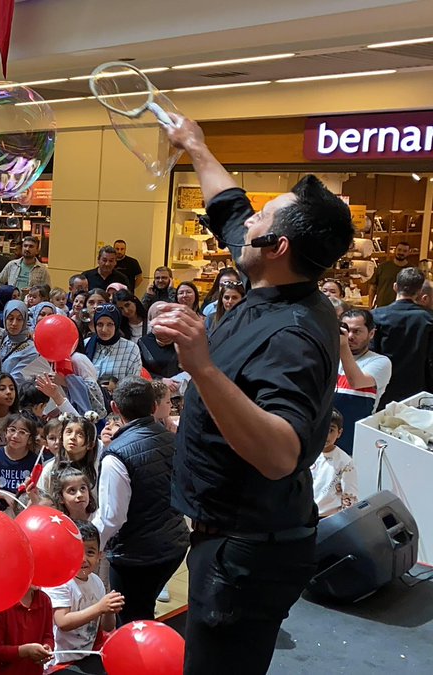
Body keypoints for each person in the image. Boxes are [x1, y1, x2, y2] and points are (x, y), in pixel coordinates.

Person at [155, 114, 354, 675]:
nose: (247, 224)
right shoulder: (276, 278)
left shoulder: (292, 333)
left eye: (261, 219)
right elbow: (230, 207)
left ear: (277, 246)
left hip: (246, 551)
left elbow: (279, 453)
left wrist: (203, 368)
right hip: (238, 539)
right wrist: (196, 146)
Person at [93, 378, 188, 625]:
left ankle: (143, 660)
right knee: (145, 609)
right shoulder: (173, 440)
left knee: (133, 621)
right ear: (153, 406)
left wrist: (93, 546)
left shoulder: (117, 454)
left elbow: (112, 517)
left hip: (136, 557)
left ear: (115, 407)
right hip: (175, 544)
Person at [45, 521, 122, 672]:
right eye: (77, 551)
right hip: (60, 660)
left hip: (88, 655)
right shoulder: (61, 582)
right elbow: (62, 622)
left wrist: (109, 611)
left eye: (90, 552)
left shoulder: (97, 582)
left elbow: (107, 627)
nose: (83, 559)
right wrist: (100, 608)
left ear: (100, 556)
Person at [369, 267, 433, 406]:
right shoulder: (429, 319)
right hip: (418, 387)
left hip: (382, 386)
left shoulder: (376, 316)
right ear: (419, 291)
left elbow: (371, 354)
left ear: (395, 287)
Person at [332, 309, 391, 454]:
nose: (350, 336)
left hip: (355, 439)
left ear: (371, 334)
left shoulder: (380, 362)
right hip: (324, 435)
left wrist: (343, 345)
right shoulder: (330, 356)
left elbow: (356, 381)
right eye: (346, 330)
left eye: (357, 331)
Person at [311, 410, 358, 518]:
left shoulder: (345, 462)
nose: (325, 435)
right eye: (321, 429)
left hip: (329, 518)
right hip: (305, 515)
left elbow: (350, 496)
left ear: (339, 433)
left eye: (331, 430)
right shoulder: (308, 454)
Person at [367, 241, 411, 308]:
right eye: (399, 250)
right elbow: (373, 287)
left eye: (404, 251)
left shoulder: (412, 270)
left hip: (403, 308)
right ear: (394, 250)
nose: (401, 253)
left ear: (408, 253)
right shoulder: (383, 267)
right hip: (382, 307)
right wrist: (370, 305)